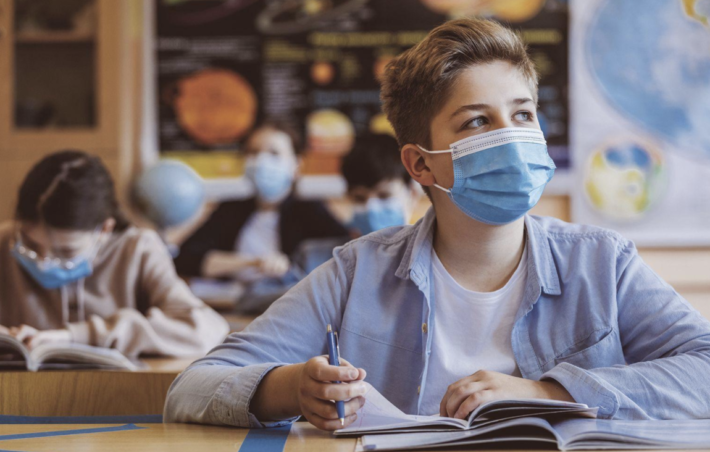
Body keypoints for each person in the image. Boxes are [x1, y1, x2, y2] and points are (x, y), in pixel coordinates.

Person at [164, 18, 710, 430]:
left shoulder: (602, 263)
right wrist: (288, 389)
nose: (512, 137)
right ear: (420, 164)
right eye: (477, 121)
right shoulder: (357, 274)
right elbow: (191, 388)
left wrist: (549, 393)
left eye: (522, 115)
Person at [0, 151, 229, 358]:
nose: (43, 261)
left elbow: (204, 329)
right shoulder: (4, 240)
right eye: (30, 243)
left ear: (104, 230)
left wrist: (78, 336)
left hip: (115, 398)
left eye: (67, 251)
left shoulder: (137, 249)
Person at [173, 122, 349, 282]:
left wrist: (287, 265)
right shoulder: (229, 210)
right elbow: (186, 258)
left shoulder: (310, 210)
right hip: (232, 305)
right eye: (253, 152)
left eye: (274, 153)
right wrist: (251, 262)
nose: (261, 161)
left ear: (296, 165)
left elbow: (342, 255)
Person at [341, 133, 420, 236]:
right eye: (359, 198)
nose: (370, 208)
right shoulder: (334, 251)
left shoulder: (437, 250)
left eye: (384, 196)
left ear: (412, 194)